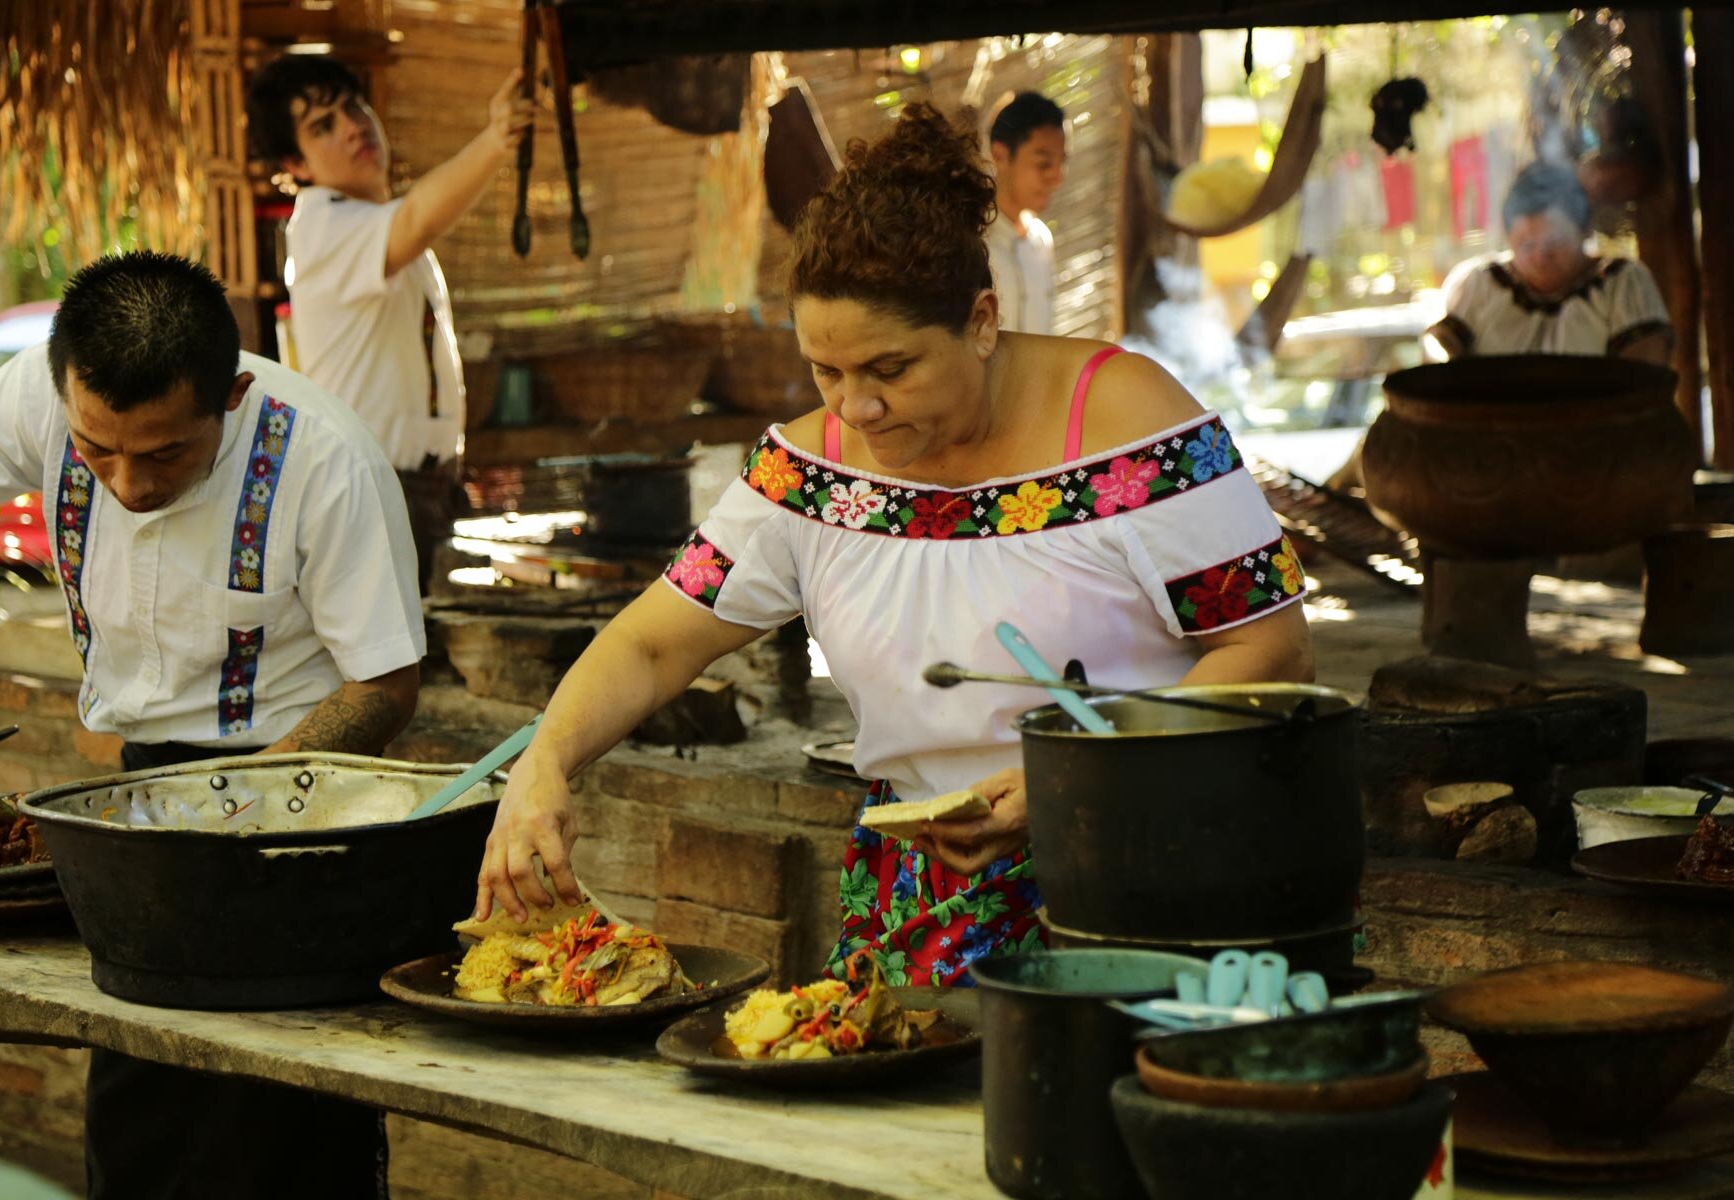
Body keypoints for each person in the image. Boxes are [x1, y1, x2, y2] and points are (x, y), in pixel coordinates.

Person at [473, 104, 1314, 987]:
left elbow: (1272, 646)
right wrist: (545, 762)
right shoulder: (803, 475)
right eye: (826, 372)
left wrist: (1084, 774)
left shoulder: (1133, 430)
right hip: (923, 901)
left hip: (1145, 878)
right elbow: (650, 643)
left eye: (891, 369)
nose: (855, 409)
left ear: (982, 321)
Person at [0, 251, 427, 1198]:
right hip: (139, 805)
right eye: (95, 450)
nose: (126, 482)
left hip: (298, 805)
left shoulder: (326, 460)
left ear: (232, 397)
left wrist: (231, 808)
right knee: (141, 1108)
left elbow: (384, 685)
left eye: (164, 453)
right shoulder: (41, 398)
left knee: (280, 1130)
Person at [244, 55, 536, 592]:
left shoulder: (369, 224)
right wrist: (496, 139)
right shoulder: (323, 227)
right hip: (376, 494)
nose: (353, 126)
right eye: (323, 126)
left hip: (419, 488)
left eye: (353, 106)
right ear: (296, 163)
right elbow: (418, 216)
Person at [1426, 161, 1672, 363]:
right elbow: (1439, 353)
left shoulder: (1622, 283)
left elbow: (1644, 376)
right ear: (1509, 238)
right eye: (1527, 245)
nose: (1540, 256)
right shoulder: (1479, 283)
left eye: (1555, 243)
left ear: (1585, 231)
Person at [983, 91, 1067, 335]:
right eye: (1044, 164)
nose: (1058, 177)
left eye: (1062, 162)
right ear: (1000, 155)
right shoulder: (974, 241)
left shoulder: (1041, 242)